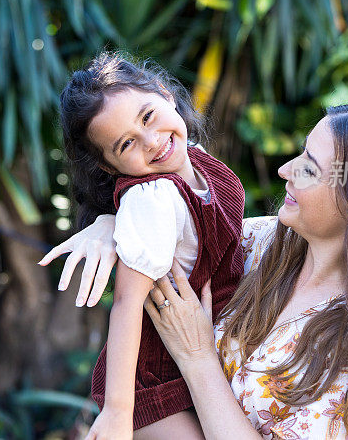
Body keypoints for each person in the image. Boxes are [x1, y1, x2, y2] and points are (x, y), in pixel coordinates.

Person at [39, 104, 348, 439]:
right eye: (301, 153)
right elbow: (166, 214)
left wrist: (198, 359)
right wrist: (109, 224)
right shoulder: (260, 245)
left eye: (309, 167)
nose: (286, 169)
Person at [54, 52, 246, 438]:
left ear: (165, 93)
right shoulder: (154, 199)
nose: (153, 141)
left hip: (199, 357)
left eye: (147, 117)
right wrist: (118, 411)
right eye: (126, 144)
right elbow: (126, 303)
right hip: (154, 385)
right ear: (110, 167)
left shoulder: (199, 161)